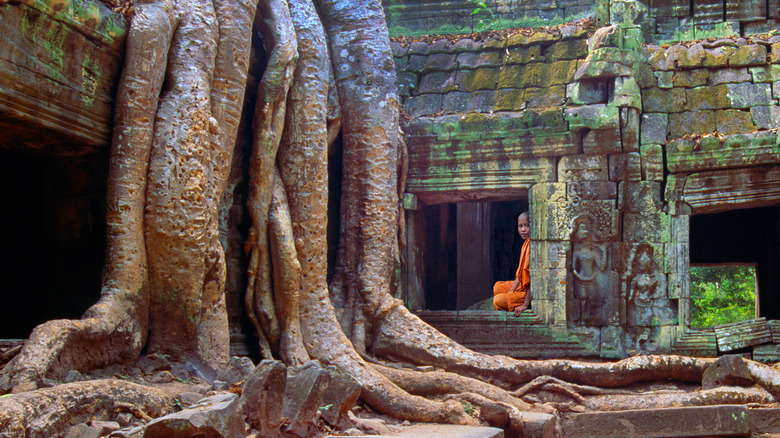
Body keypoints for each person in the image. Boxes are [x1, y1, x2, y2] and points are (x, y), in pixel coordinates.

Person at [493, 211, 531, 316]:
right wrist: (511, 294)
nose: (523, 229)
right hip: (523, 286)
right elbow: (520, 275)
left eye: (527, 225)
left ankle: (525, 301)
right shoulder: (525, 244)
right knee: (497, 287)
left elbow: (533, 279)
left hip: (531, 292)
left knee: (497, 301)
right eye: (520, 226)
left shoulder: (533, 245)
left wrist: (525, 304)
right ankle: (514, 297)